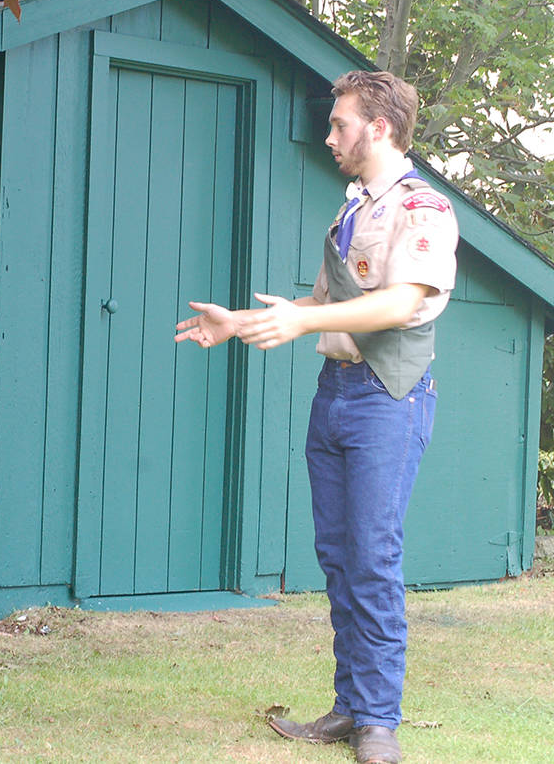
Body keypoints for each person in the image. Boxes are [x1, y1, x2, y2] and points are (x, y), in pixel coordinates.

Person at [174, 70, 458, 764]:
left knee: (373, 557)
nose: (330, 137)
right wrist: (237, 324)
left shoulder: (424, 209)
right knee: (338, 558)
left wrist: (302, 323)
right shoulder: (351, 209)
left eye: (340, 125)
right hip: (335, 392)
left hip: (388, 398)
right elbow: (316, 303)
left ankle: (379, 723)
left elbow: (396, 305)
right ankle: (351, 705)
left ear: (380, 128)